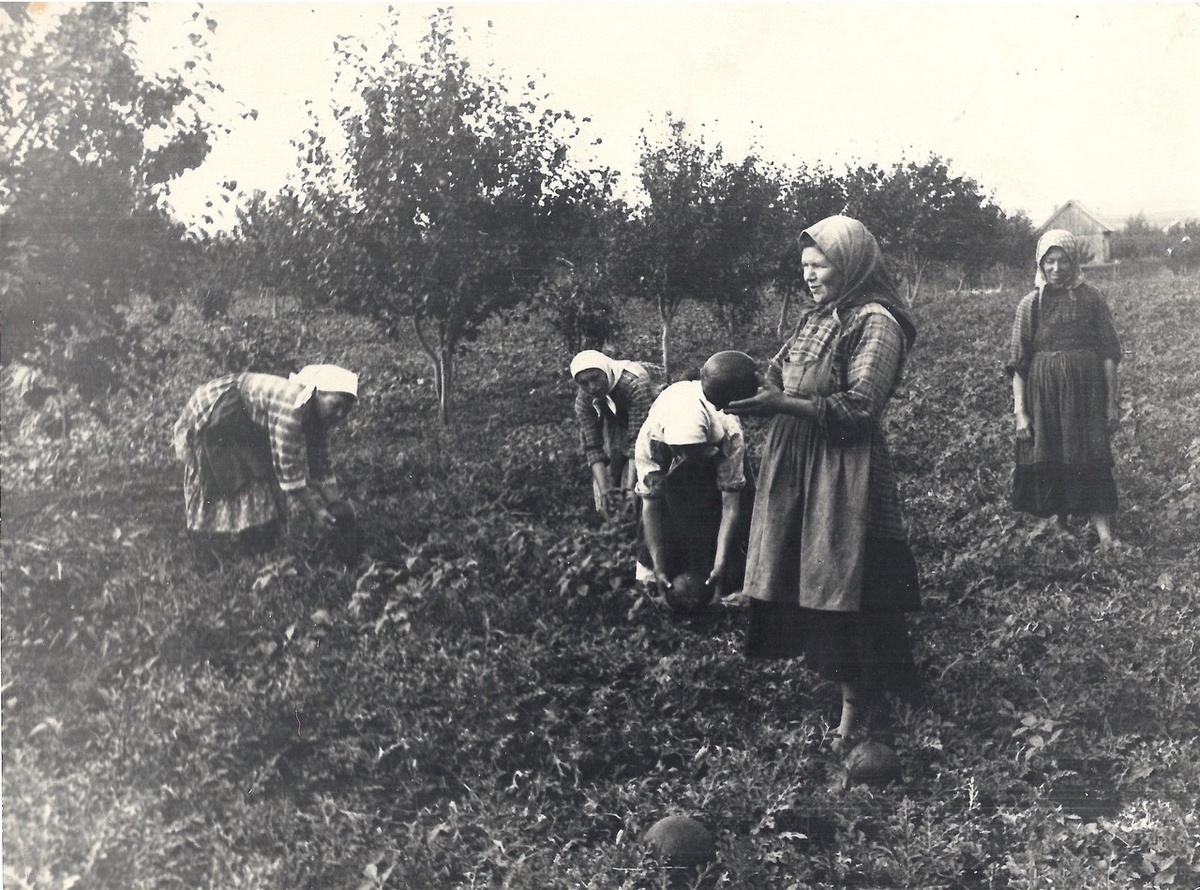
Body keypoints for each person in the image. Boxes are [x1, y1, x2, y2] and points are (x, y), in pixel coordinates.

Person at [726, 215, 921, 752]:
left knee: (846, 580)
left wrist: (782, 404)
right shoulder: (815, 318)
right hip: (797, 466)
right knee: (809, 574)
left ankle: (858, 710)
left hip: (843, 471)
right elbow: (777, 371)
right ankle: (841, 688)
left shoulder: (876, 322)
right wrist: (749, 385)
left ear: (852, 265)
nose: (809, 276)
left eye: (820, 266)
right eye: (805, 266)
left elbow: (860, 407)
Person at [1007, 230, 1122, 548]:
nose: (1056, 268)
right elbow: (1018, 364)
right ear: (1040, 264)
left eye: (1063, 261)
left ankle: (1104, 533)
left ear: (1074, 263)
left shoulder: (1092, 299)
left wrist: (1111, 403)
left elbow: (1109, 355)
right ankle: (1060, 526)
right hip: (1044, 396)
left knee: (1093, 454)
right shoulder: (1030, 305)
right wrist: (1020, 412)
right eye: (1050, 261)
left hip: (1086, 395)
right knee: (1051, 454)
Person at [173, 364, 358, 553]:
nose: (340, 414)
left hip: (245, 416)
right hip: (218, 407)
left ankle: (256, 541)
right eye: (336, 405)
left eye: (346, 410)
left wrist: (337, 507)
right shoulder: (293, 405)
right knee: (232, 475)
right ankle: (212, 546)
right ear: (319, 393)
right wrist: (316, 511)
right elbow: (287, 466)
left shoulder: (319, 412)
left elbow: (321, 463)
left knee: (259, 475)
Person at [634, 379, 755, 598]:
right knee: (670, 512)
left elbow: (730, 505)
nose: (684, 457)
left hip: (714, 455)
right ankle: (661, 575)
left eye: (692, 451)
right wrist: (658, 566)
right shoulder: (650, 440)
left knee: (729, 518)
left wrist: (720, 564)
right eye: (680, 451)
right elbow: (650, 505)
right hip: (672, 460)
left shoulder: (729, 434)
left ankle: (728, 578)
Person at [571, 350, 666, 517]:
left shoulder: (635, 383)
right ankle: (615, 519)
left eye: (595, 378)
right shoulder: (584, 400)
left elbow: (638, 440)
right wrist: (605, 490)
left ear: (605, 371)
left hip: (654, 412)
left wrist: (630, 490)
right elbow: (592, 445)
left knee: (645, 481)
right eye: (584, 383)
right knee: (608, 481)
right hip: (617, 417)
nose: (592, 387)